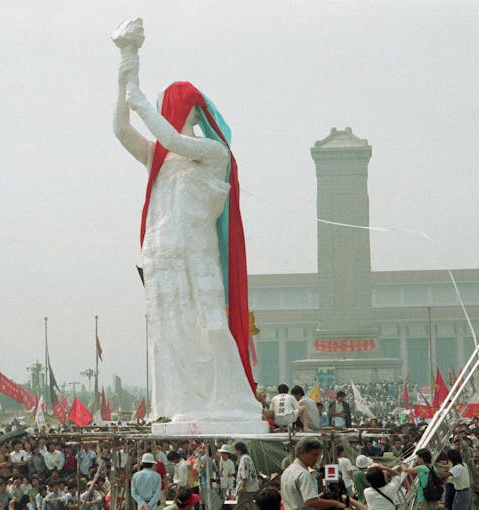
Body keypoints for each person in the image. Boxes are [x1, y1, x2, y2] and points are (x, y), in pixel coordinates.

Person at [112, 19, 261, 422]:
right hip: (162, 256)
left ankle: (224, 399)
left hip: (196, 254)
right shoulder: (157, 161)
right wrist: (126, 64)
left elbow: (174, 140)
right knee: (169, 333)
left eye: (166, 109)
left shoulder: (214, 154)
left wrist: (138, 95)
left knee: (208, 326)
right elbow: (121, 129)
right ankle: (178, 405)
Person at [280, 438, 346, 510]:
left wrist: (319, 498)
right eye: (314, 455)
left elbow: (299, 500)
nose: (316, 459)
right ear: (302, 452)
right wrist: (335, 503)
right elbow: (311, 502)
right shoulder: (303, 474)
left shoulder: (287, 471)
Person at [234, 443, 259, 510]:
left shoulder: (244, 458)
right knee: (250, 503)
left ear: (239, 450)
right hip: (250, 486)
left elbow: (245, 474)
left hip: (246, 487)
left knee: (240, 505)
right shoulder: (248, 457)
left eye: (236, 450)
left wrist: (242, 485)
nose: (235, 452)